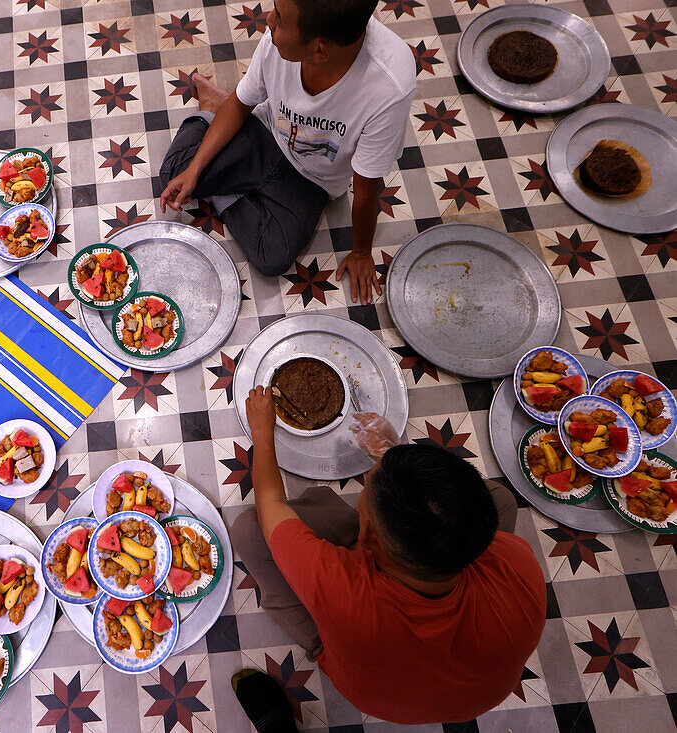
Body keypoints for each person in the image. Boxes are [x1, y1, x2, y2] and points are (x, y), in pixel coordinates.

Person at [229, 387, 546, 725]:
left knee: (249, 530)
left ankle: (318, 644)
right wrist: (394, 455)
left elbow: (271, 505)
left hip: (365, 681)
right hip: (466, 696)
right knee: (502, 499)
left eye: (366, 491)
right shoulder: (518, 562)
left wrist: (263, 435)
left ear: (367, 538)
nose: (367, 481)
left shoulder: (342, 592)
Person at [158, 0, 416, 304]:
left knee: (272, 258)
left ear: (319, 50)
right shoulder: (278, 40)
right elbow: (241, 105)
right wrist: (196, 169)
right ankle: (213, 110)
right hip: (266, 135)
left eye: (279, 18)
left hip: (313, 182)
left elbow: (366, 187)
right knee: (176, 175)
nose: (268, 20)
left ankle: (229, 156)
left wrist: (360, 252)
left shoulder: (388, 88)